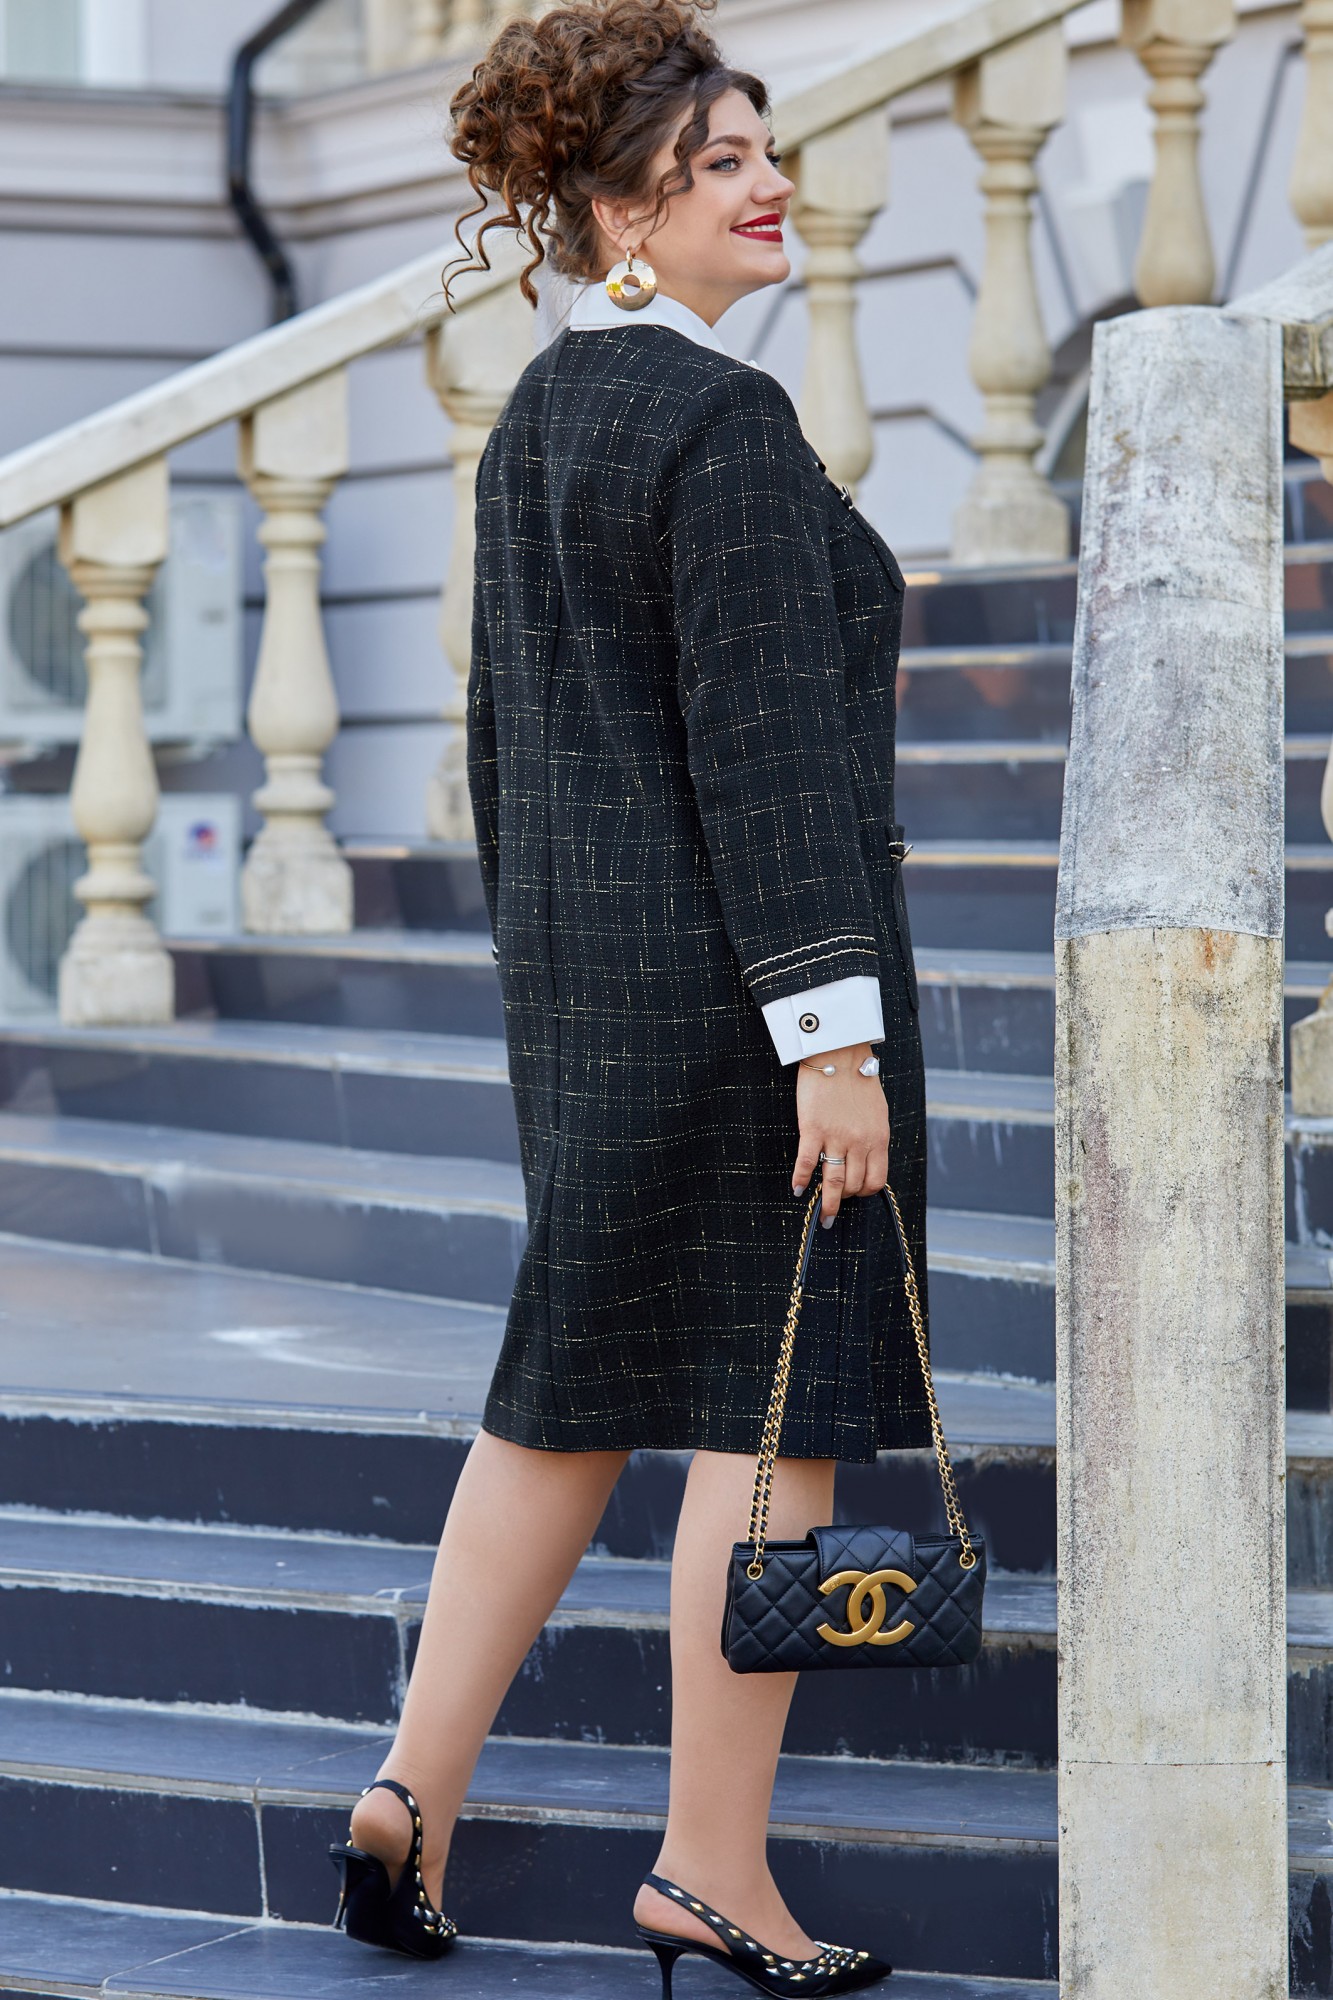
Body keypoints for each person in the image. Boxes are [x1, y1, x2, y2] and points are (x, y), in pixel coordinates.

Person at [328, 1, 930, 1989]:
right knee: (774, 1420)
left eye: (766, 151)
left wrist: (565, 997)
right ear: (618, 214)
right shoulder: (720, 425)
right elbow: (768, 763)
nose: (773, 185)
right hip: (755, 1014)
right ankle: (709, 1865)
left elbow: (507, 752)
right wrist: (830, 1038)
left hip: (595, 1006)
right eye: (720, 164)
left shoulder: (541, 417)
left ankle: (411, 1787)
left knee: (563, 1403)